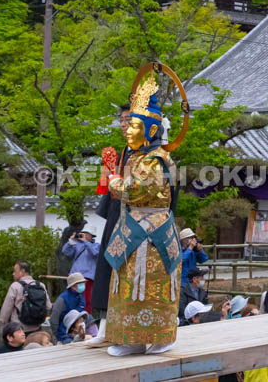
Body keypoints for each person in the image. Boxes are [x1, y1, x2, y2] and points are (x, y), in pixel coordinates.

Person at [102, 67, 189, 356]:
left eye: (135, 126)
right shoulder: (141, 157)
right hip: (133, 228)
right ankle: (131, 338)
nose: (128, 130)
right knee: (127, 284)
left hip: (152, 233)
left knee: (150, 285)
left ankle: (161, 336)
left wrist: (114, 181)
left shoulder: (157, 160)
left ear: (152, 130)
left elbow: (136, 190)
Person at [91, 103, 132, 325]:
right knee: (107, 268)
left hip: (139, 219)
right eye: (122, 121)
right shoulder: (124, 153)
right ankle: (105, 325)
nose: (124, 125)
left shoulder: (151, 155)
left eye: (129, 121)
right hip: (119, 214)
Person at [0, 261, 51, 333]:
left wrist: (3, 322)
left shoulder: (15, 286)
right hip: (37, 328)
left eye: (15, 271)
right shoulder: (41, 285)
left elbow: (7, 308)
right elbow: (48, 306)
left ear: (22, 271)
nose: (13, 274)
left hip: (19, 330)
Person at [62, 226, 100, 311]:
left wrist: (86, 242)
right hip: (74, 277)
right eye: (83, 233)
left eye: (86, 233)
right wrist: (71, 241)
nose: (84, 235)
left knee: (86, 299)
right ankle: (72, 316)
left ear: (91, 236)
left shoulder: (96, 245)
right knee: (71, 297)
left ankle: (85, 317)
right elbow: (65, 252)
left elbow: (95, 253)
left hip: (87, 278)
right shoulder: (77, 245)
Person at [51, 272, 88, 344]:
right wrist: (56, 335)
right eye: (80, 284)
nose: (83, 286)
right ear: (73, 286)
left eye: (83, 283)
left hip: (78, 332)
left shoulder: (80, 296)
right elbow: (54, 318)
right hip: (64, 334)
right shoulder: (62, 299)